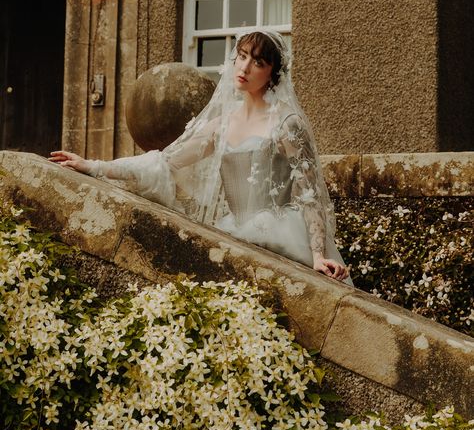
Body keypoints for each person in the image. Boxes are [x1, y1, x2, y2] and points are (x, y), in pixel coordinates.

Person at [50, 30, 350, 282]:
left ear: (273, 73)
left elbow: (309, 192)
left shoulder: (287, 124)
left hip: (284, 236)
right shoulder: (221, 125)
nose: (244, 68)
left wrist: (317, 255)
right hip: (233, 231)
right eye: (242, 57)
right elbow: (164, 162)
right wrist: (94, 166)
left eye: (257, 62)